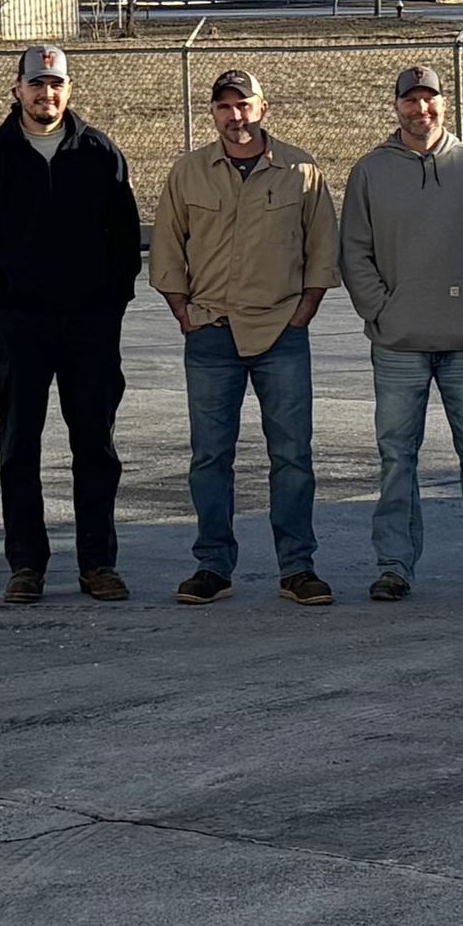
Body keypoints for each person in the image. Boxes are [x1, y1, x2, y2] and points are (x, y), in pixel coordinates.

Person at [0, 42, 143, 606]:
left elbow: (126, 239)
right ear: (18, 90)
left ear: (68, 90)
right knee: (19, 448)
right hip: (21, 328)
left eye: (55, 84)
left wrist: (111, 304)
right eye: (36, 84)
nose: (46, 94)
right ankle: (27, 565)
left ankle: (98, 564)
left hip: (89, 328)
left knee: (96, 449)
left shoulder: (100, 153)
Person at [149, 70, 339, 608]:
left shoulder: (300, 170)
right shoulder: (189, 173)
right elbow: (166, 247)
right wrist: (184, 313)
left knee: (293, 455)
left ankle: (298, 567)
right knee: (210, 457)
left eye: (244, 105)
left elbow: (323, 245)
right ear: (213, 113)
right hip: (211, 333)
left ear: (264, 107)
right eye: (224, 106)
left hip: (280, 332)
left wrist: (305, 310)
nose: (236, 116)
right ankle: (212, 565)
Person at [339, 64, 463, 602]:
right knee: (397, 458)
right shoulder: (370, 172)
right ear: (395, 106)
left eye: (431, 99)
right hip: (399, 344)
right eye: (411, 101)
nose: (422, 110)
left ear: (445, 102)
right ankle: (395, 565)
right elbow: (354, 252)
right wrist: (382, 312)